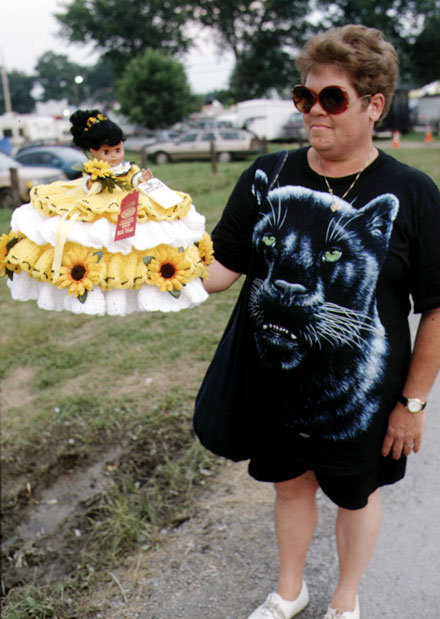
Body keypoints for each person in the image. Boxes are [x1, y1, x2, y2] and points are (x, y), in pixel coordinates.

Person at [199, 25, 440, 619]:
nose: (314, 111)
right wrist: (136, 249)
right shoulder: (269, 174)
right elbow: (218, 271)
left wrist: (412, 403)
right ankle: (290, 591)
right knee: (289, 485)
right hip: (274, 379)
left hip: (360, 392)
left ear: (374, 105)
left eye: (332, 98)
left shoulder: (411, 194)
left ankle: (344, 600)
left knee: (356, 496)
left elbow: (436, 306)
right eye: (304, 96)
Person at [0, 110, 213, 315]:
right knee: (87, 236)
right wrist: (95, 179)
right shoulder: (94, 172)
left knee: (144, 238)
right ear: (93, 152)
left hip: (129, 203)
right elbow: (89, 186)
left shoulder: (127, 169)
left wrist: (144, 181)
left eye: (117, 150)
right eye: (106, 152)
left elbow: (134, 178)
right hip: (99, 203)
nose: (113, 157)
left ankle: (132, 283)